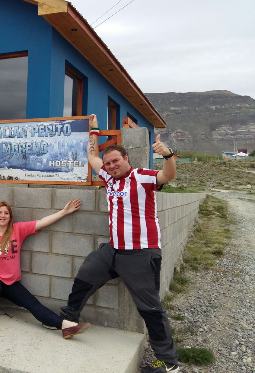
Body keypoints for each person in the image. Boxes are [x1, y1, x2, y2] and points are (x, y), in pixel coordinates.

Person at [60, 114, 179, 372]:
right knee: (86, 274)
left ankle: (168, 362)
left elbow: (167, 176)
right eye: (108, 163)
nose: (111, 166)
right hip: (113, 250)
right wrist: (94, 129)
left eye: (116, 161)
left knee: (150, 309)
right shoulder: (108, 177)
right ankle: (69, 320)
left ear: (126, 159)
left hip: (141, 254)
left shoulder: (142, 177)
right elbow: (92, 156)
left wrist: (168, 155)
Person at [0, 200, 90, 339]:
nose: (3, 215)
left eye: (6, 213)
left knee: (32, 303)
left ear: (10, 217)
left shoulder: (17, 230)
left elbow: (41, 222)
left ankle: (65, 326)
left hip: (9, 281)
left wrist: (64, 212)